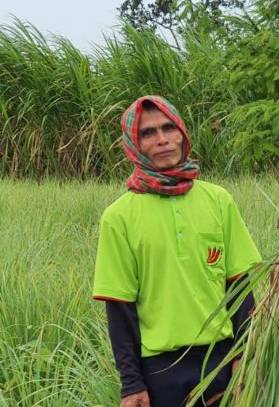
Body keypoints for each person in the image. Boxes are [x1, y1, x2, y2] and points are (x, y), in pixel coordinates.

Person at [92, 95, 261, 407]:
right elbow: (120, 308)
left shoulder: (218, 201)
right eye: (148, 133)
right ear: (134, 145)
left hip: (222, 362)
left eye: (168, 128)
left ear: (182, 134)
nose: (162, 139)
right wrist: (131, 383)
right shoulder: (118, 218)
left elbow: (239, 287)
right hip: (160, 371)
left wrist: (244, 353)